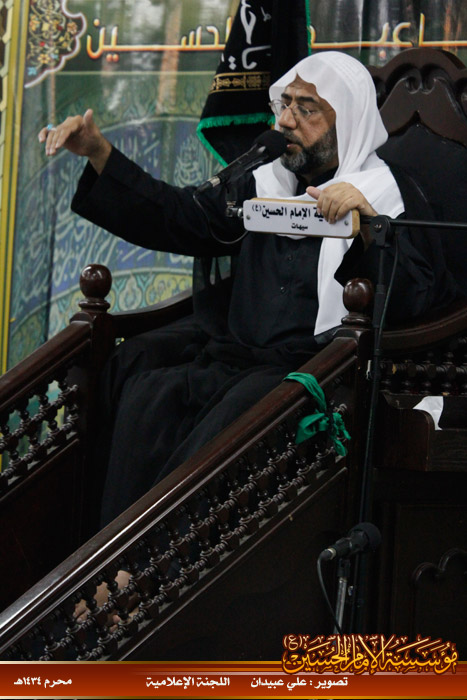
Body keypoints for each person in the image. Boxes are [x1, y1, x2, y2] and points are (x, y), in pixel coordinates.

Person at [38, 51, 460, 526]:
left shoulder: (385, 194)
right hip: (236, 356)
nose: (286, 121)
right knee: (147, 395)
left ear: (349, 122)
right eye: (284, 104)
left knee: (239, 415)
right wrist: (100, 153)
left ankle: (156, 559)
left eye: (306, 109)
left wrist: (370, 227)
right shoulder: (265, 182)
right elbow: (181, 215)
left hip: (316, 367)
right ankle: (108, 549)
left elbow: (415, 298)